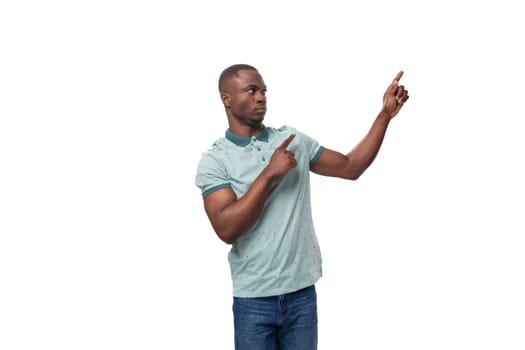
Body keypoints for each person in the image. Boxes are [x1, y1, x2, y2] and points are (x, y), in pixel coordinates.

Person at [195, 63, 409, 350]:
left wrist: (384, 116)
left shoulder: (292, 141)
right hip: (254, 300)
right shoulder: (215, 160)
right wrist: (269, 174)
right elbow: (226, 229)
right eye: (251, 90)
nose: (261, 97)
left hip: (301, 296)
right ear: (226, 98)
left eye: (264, 91)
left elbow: (350, 166)